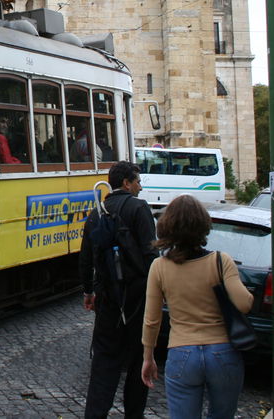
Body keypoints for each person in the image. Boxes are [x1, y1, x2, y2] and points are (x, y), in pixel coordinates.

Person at [141, 194, 253, 419]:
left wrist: (148, 357)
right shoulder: (221, 261)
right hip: (222, 350)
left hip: (182, 352)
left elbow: (152, 319)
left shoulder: (159, 267)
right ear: (203, 225)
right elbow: (244, 304)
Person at [79, 161, 157, 419]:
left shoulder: (96, 213)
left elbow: (86, 258)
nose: (140, 186)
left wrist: (88, 292)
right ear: (126, 183)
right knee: (136, 364)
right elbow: (150, 255)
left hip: (108, 300)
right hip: (136, 300)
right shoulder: (139, 208)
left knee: (104, 364)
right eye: (137, 181)